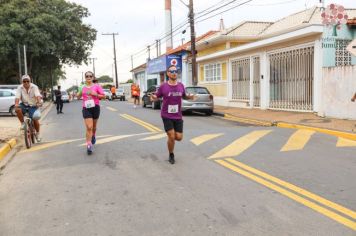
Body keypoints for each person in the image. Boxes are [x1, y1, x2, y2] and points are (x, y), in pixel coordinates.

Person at [150, 65, 195, 164]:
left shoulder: (181, 86)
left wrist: (190, 97)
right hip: (166, 115)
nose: (174, 73)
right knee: (171, 136)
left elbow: (184, 96)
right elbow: (156, 96)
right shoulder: (163, 86)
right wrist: (153, 97)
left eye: (176, 71)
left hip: (178, 115)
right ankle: (171, 154)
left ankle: (171, 139)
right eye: (172, 71)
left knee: (178, 137)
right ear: (168, 73)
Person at [77, 71, 105, 155]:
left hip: (95, 107)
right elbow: (78, 97)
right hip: (86, 108)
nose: (88, 77)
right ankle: (89, 145)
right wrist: (78, 94)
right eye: (87, 76)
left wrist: (95, 94)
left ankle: (93, 135)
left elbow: (103, 96)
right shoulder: (82, 87)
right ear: (85, 78)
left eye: (90, 76)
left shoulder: (97, 86)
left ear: (92, 77)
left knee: (94, 127)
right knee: (89, 127)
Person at [15, 74, 43, 142]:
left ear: (30, 81)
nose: (26, 83)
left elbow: (38, 96)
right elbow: (17, 97)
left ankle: (38, 134)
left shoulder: (34, 87)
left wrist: (39, 102)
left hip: (33, 105)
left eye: (27, 81)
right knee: (17, 109)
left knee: (35, 118)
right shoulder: (19, 87)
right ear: (22, 82)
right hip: (24, 104)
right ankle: (23, 124)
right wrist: (16, 104)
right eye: (24, 81)